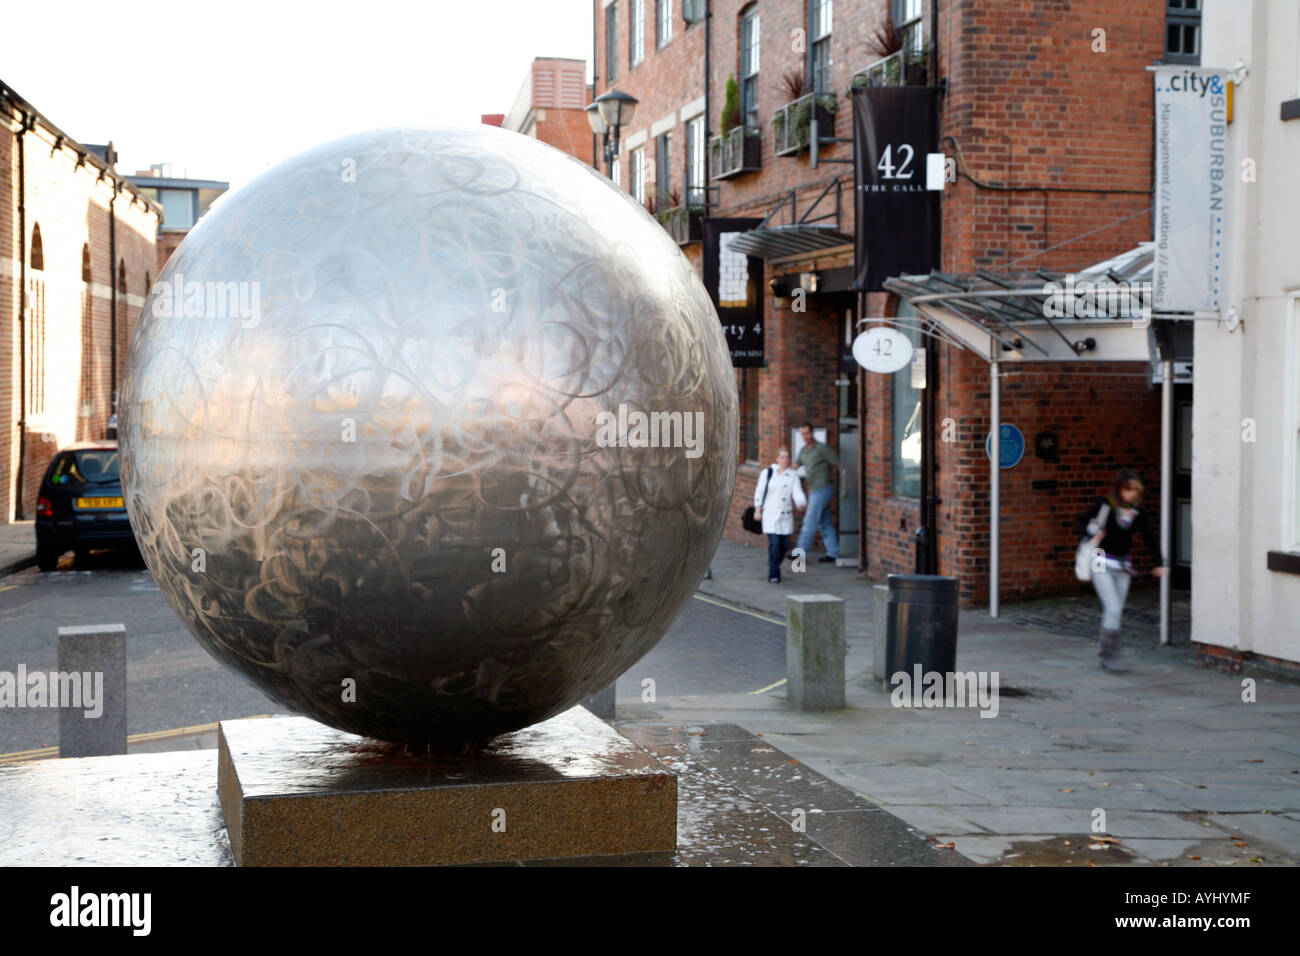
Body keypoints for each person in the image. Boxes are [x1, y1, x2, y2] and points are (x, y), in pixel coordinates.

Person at [1075, 469, 1168, 672]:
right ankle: (1109, 655)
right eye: (1128, 490)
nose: (1131, 494)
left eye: (1135, 490)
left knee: (1117, 609)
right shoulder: (1106, 506)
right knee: (1113, 607)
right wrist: (1092, 533)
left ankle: (1108, 652)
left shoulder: (1137, 512)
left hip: (1123, 565)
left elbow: (1149, 538)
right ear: (1119, 488)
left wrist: (1159, 562)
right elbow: (1080, 521)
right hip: (1100, 561)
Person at [753, 447, 806, 583]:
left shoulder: (793, 475)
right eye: (782, 457)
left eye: (787, 457)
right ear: (777, 459)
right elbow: (759, 491)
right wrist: (757, 510)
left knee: (784, 545)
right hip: (770, 515)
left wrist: (801, 502)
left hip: (785, 517)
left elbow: (797, 492)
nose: (785, 460)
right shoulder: (768, 473)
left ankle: (774, 562)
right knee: (775, 544)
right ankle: (774, 573)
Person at [795, 422, 840, 563]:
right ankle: (834, 552)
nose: (805, 436)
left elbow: (837, 463)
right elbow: (794, 467)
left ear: (812, 432)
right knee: (824, 522)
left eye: (807, 433)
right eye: (802, 434)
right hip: (812, 489)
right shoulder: (803, 451)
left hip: (823, 489)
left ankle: (800, 554)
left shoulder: (821, 449)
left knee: (810, 520)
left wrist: (843, 484)